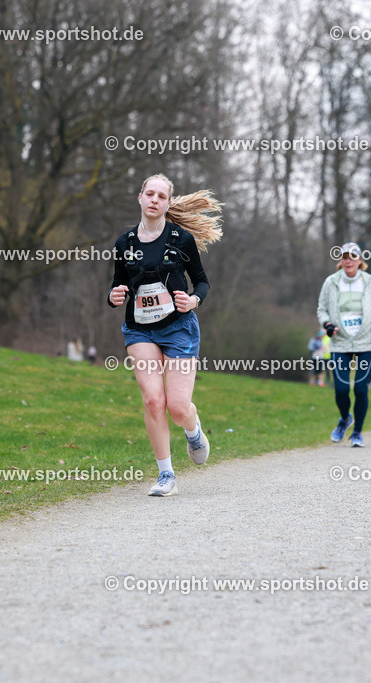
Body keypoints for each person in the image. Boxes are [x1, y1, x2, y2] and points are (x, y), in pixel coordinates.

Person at [108, 173, 222, 497]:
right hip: (139, 329)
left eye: (161, 196)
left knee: (178, 407)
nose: (155, 200)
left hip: (178, 328)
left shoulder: (180, 239)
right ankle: (166, 474)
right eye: (150, 194)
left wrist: (194, 300)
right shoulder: (124, 244)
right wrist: (113, 296)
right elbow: (118, 285)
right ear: (140, 198)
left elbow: (202, 282)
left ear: (168, 203)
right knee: (153, 400)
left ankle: (193, 429)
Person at [317, 242, 371, 448]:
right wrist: (327, 324)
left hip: (366, 342)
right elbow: (321, 309)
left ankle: (357, 432)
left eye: (352, 257)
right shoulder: (331, 282)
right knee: (341, 389)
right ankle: (345, 418)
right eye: (345, 257)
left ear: (360, 260)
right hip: (340, 342)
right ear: (341, 260)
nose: (348, 261)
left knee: (360, 389)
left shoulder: (369, 282)